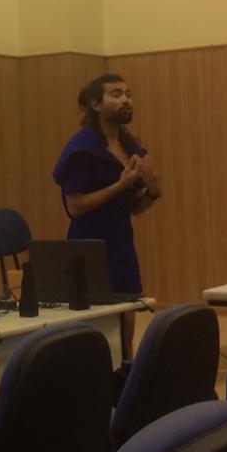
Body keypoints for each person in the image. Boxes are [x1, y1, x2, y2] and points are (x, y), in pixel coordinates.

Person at [51, 73, 162, 358]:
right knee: (95, 334)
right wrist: (120, 185)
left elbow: (134, 208)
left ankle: (124, 378)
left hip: (122, 244)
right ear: (96, 104)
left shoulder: (130, 148)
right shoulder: (82, 148)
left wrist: (153, 191)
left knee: (126, 331)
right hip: (88, 248)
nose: (126, 100)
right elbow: (75, 206)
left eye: (128, 94)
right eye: (116, 94)